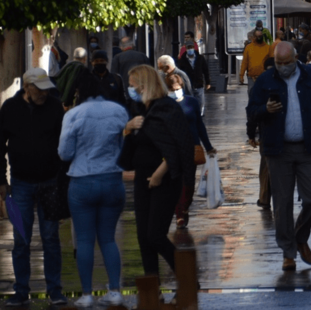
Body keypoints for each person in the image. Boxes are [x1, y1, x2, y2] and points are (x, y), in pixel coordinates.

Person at [246, 42, 311, 272]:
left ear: (296, 58)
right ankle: (288, 253)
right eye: (279, 63)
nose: (283, 67)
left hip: (309, 148)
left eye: (286, 63)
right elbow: (251, 111)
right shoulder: (265, 80)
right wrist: (265, 110)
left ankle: (300, 236)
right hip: (278, 150)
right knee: (282, 203)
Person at [119, 65, 195, 285]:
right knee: (143, 237)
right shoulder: (138, 110)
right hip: (143, 177)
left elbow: (178, 147)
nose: (130, 90)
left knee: (155, 235)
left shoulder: (166, 108)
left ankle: (188, 278)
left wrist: (159, 174)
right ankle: (152, 289)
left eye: (132, 85)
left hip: (165, 179)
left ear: (144, 86)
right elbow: (128, 151)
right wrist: (127, 129)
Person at [57, 72, 127, 308]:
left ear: (79, 92)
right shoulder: (118, 111)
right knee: (108, 239)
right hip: (112, 179)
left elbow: (64, 153)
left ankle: (86, 294)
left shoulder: (74, 114)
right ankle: (115, 291)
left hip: (82, 180)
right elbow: (124, 146)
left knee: (85, 240)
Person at [0, 68, 67, 306]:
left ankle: (55, 290)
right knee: (21, 239)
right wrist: (2, 180)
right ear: (27, 87)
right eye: (39, 89)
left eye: (46, 89)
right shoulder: (10, 108)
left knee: (51, 238)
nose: (44, 93)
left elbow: (63, 142)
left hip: (50, 181)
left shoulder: (54, 106)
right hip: (20, 183)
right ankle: (21, 290)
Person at [164, 74, 216, 228]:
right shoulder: (164, 103)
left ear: (182, 87)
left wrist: (208, 146)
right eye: (172, 89)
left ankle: (184, 207)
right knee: (175, 181)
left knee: (189, 182)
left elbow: (200, 125)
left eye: (177, 88)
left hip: (192, 147)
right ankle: (179, 213)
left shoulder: (192, 102)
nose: (175, 92)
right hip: (172, 148)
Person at [248, 58, 276, 210]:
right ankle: (271, 198)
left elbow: (251, 113)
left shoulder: (259, 85)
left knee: (266, 167)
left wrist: (251, 134)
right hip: (272, 132)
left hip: (267, 132)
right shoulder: (283, 83)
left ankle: (265, 198)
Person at [177, 40, 212, 116]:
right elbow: (180, 73)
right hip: (188, 85)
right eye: (188, 47)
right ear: (186, 48)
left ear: (194, 48)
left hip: (199, 83)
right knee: (190, 101)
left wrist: (208, 82)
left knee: (200, 102)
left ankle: (200, 114)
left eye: (191, 47)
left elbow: (205, 71)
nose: (190, 49)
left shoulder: (200, 58)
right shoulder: (182, 60)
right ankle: (192, 115)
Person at [240, 27, 274, 95]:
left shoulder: (268, 48)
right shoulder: (248, 48)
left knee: (264, 95)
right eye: (257, 36)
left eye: (260, 36)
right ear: (254, 37)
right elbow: (245, 62)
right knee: (251, 94)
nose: (259, 37)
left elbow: (272, 62)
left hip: (264, 77)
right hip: (251, 77)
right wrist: (241, 75)